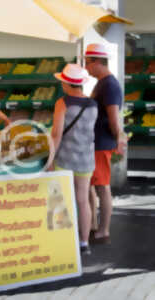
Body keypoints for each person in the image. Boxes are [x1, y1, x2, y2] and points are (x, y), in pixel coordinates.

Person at [49, 64, 98, 255]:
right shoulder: (93, 104)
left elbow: (56, 135)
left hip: (66, 159)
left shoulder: (62, 103)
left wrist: (49, 161)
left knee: (60, 200)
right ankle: (84, 243)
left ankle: (62, 241)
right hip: (85, 159)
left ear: (66, 83)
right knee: (82, 200)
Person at [84, 43, 127, 243]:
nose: (86, 67)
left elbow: (113, 118)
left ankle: (103, 231)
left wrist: (118, 140)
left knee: (102, 188)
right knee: (93, 187)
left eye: (88, 62)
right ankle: (93, 226)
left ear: (98, 62)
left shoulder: (109, 85)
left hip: (102, 145)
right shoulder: (102, 83)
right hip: (96, 144)